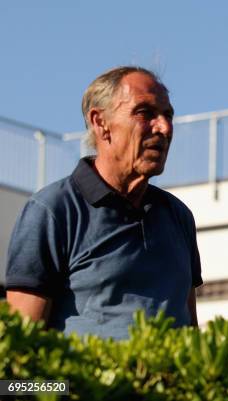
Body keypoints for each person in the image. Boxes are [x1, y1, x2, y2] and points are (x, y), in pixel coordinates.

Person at [5, 66, 203, 339]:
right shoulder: (51, 210)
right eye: (145, 113)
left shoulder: (179, 216)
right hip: (81, 383)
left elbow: (191, 331)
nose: (165, 127)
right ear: (100, 123)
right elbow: (18, 359)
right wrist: (66, 385)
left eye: (168, 115)